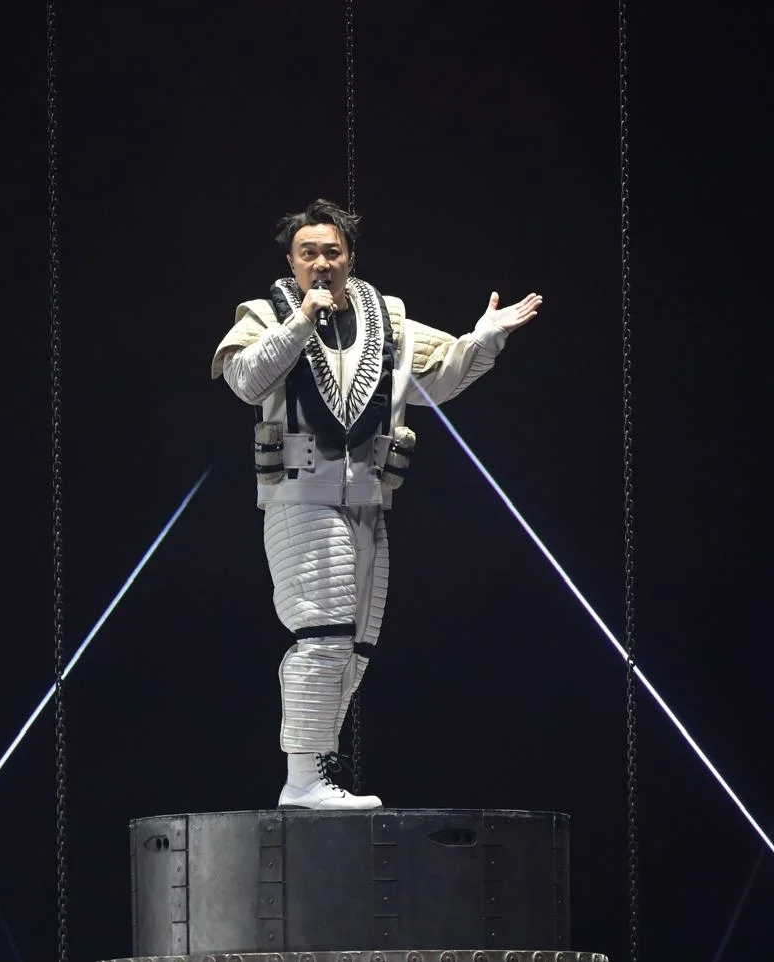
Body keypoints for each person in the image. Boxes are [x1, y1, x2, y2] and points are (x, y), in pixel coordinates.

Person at [209, 199, 542, 809]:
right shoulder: (265, 315)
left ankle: (316, 769)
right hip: (301, 494)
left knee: (357, 641)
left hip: (367, 496)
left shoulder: (389, 320)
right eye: (308, 253)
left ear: (351, 257)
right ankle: (301, 778)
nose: (321, 263)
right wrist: (301, 322)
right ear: (291, 262)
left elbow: (439, 379)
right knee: (324, 630)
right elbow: (247, 380)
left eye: (331, 252)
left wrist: (485, 338)